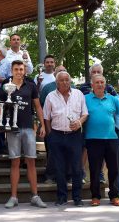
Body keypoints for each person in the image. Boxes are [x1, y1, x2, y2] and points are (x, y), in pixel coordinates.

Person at [85, 74, 119, 207]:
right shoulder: (86, 99)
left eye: (102, 82)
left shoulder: (112, 99)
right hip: (93, 139)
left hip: (111, 139)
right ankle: (95, 196)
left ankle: (114, 196)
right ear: (92, 85)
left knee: (114, 169)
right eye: (97, 82)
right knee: (95, 169)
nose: (100, 84)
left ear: (105, 84)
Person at [0, 60, 47, 209]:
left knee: (31, 162)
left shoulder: (31, 86)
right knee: (15, 162)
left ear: (24, 70)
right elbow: (1, 106)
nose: (19, 72)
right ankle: (13, 197)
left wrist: (42, 124)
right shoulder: (6, 87)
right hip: (13, 130)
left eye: (21, 69)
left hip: (28, 128)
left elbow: (38, 106)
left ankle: (35, 196)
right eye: (16, 69)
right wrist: (1, 115)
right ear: (12, 71)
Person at [43, 71, 88, 207]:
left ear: (70, 81)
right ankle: (61, 197)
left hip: (74, 136)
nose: (64, 82)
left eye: (67, 80)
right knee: (59, 168)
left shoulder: (78, 94)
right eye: (61, 80)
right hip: (56, 135)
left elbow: (85, 113)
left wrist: (79, 123)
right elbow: (46, 117)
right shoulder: (50, 96)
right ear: (57, 83)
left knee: (76, 168)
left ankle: (77, 198)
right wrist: (50, 135)